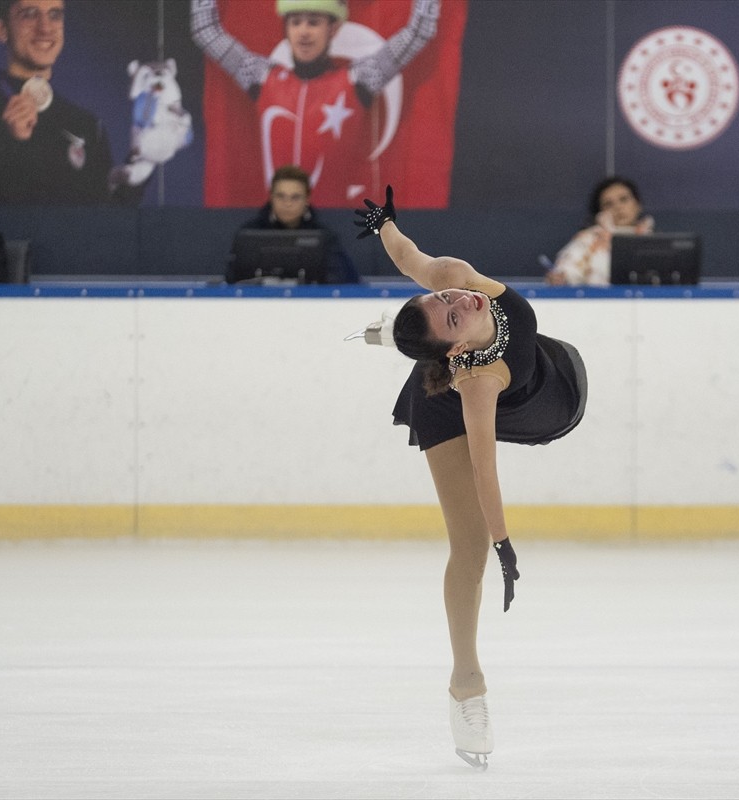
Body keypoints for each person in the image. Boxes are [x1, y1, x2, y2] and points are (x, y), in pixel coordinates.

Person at [354, 185, 587, 769]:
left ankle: (399, 335)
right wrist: (503, 543)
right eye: (454, 312)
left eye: (450, 299)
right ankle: (467, 683)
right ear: (457, 345)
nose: (465, 300)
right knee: (469, 546)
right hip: (457, 404)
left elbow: (414, 260)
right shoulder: (475, 382)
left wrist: (384, 224)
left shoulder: (460, 279)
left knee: (434, 306)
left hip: (548, 388)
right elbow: (486, 469)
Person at [191, 0, 439, 205]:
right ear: (286, 30)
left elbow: (421, 30)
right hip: (275, 224)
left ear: (332, 29)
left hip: (335, 225)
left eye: (314, 22)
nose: (304, 32)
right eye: (295, 22)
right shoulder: (262, 77)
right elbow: (206, 32)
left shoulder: (357, 80)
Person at [0, 0, 140, 206]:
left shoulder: (88, 125)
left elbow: (108, 223)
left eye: (55, 15)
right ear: (2, 30)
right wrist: (11, 142)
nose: (45, 28)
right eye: (29, 14)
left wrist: (141, 167)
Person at [231, 164, 359, 283]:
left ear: (307, 199)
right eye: (281, 196)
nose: (287, 204)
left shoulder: (324, 237)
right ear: (270, 197)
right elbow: (231, 279)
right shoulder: (249, 234)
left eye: (295, 197)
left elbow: (347, 280)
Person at [545, 176, 654, 286]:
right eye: (609, 204)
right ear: (600, 212)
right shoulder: (588, 240)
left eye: (623, 199)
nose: (618, 207)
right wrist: (559, 278)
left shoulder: (653, 241)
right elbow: (566, 273)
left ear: (638, 205)